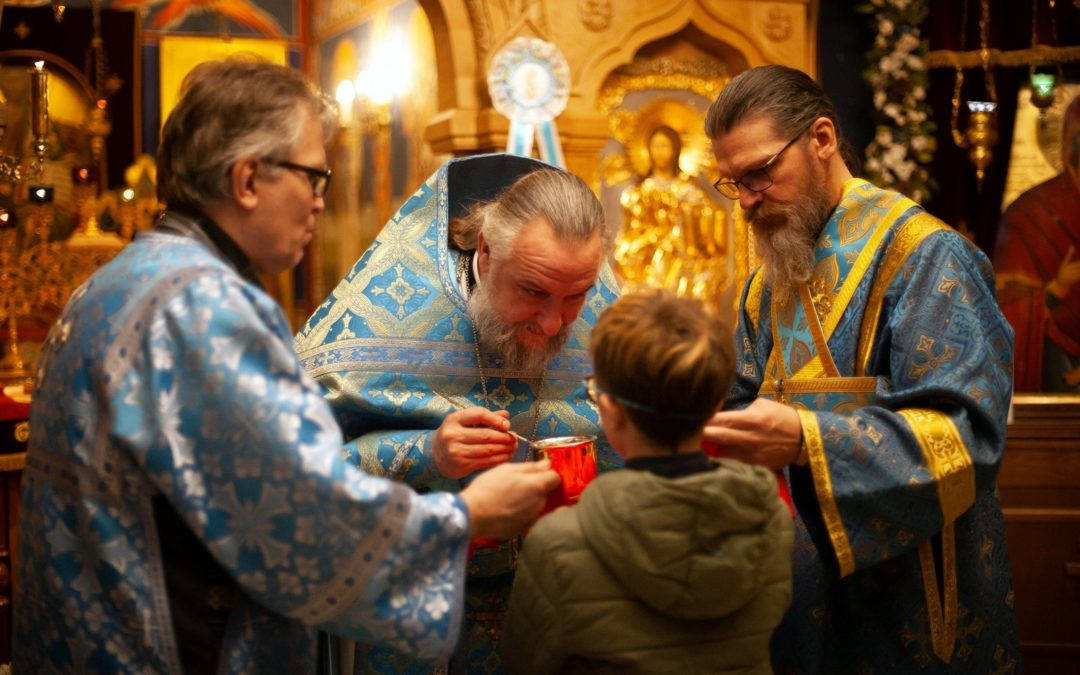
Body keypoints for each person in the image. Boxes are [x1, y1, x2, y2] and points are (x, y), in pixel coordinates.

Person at [14, 58, 559, 674]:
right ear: (248, 180)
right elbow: (299, 524)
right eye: (313, 178)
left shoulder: (117, 282)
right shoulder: (204, 308)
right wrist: (470, 515)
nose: (321, 205)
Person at [702, 64, 1020, 673]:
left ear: (821, 139)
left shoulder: (926, 258)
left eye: (761, 173)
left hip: (908, 604)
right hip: (793, 603)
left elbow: (967, 435)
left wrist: (807, 439)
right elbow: (739, 410)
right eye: (732, 183)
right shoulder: (763, 289)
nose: (745, 201)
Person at [295, 153, 621, 672]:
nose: (554, 323)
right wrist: (427, 454)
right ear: (487, 252)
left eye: (577, 296)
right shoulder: (379, 321)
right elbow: (298, 475)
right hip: (414, 611)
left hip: (557, 609)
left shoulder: (602, 322)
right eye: (533, 292)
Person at [500, 289, 793, 674]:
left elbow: (523, 662)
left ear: (611, 412)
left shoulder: (559, 545)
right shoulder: (770, 516)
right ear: (712, 405)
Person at [995, 92, 1080, 392]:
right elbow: (1009, 304)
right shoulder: (1031, 211)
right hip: (1055, 364)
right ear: (1071, 144)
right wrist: (1059, 286)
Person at [615, 125, 727, 306]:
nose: (660, 152)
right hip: (651, 263)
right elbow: (630, 233)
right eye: (656, 146)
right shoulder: (640, 193)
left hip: (684, 264)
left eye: (665, 146)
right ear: (648, 150)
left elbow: (705, 230)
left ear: (675, 149)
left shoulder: (690, 191)